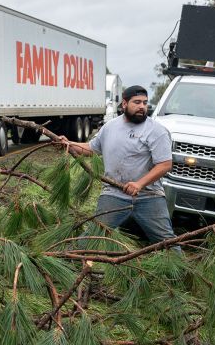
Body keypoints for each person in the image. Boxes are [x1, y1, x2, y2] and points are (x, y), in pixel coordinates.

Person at [68, 85, 176, 245]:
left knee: (167, 242)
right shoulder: (110, 127)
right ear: (124, 104)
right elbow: (91, 149)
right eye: (137, 102)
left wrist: (139, 184)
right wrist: (67, 143)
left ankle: (180, 269)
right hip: (113, 193)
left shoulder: (157, 131)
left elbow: (165, 165)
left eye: (145, 103)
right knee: (93, 237)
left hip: (148, 196)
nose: (142, 107)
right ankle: (75, 263)